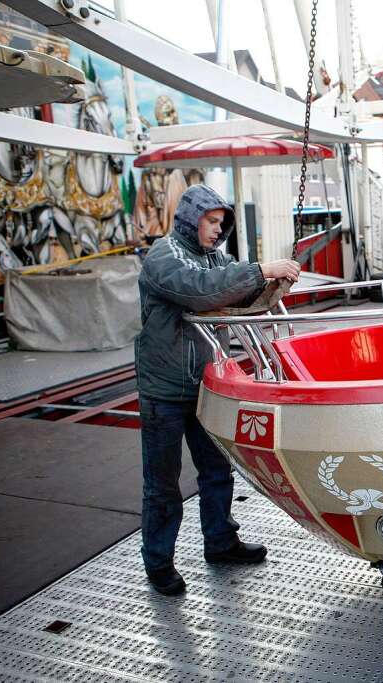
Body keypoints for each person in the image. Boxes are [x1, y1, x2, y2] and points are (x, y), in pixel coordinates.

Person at [135, 184, 301, 595]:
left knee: (216, 469)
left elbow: (237, 295)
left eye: (221, 223)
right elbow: (200, 290)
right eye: (211, 221)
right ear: (191, 218)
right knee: (163, 484)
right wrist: (262, 269)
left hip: (205, 385)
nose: (216, 229)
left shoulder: (215, 258)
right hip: (165, 390)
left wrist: (273, 286)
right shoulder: (163, 257)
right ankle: (159, 563)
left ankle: (221, 542)